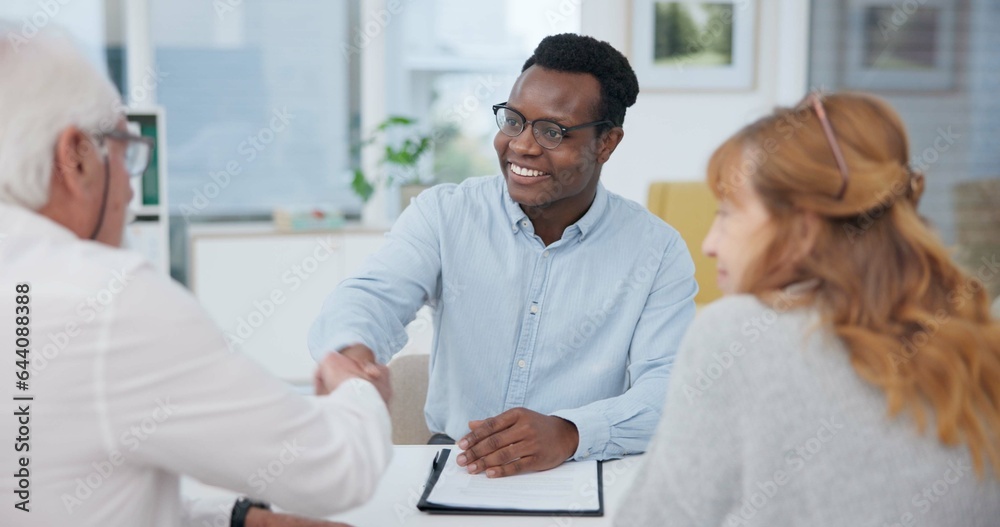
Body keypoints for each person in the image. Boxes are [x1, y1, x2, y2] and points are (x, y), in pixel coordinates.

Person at [0, 26, 392, 527]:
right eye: (126, 150)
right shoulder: (110, 300)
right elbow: (336, 470)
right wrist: (356, 392)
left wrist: (234, 517)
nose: (132, 188)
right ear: (76, 155)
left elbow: (59, 493)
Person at [309, 33, 697, 477]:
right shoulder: (446, 214)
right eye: (514, 120)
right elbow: (372, 295)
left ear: (606, 143)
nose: (523, 145)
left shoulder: (657, 250)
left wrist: (571, 432)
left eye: (552, 131)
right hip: (459, 464)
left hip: (582, 465)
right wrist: (352, 353)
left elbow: (670, 386)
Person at [615, 92, 1000, 526]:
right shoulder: (974, 335)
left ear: (801, 228)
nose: (709, 243)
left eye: (726, 214)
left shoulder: (737, 334)